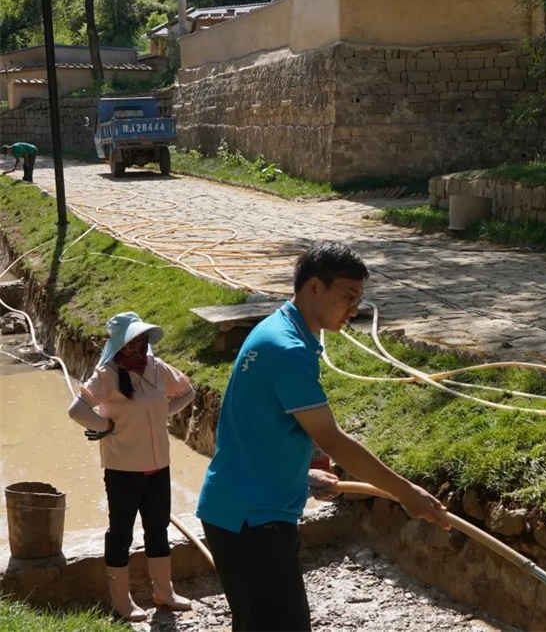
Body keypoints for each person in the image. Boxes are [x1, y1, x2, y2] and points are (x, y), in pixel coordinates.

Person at [196, 240, 451, 632]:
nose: (354, 309)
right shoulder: (288, 349)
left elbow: (256, 428)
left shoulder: (276, 328)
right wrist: (406, 493)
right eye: (347, 296)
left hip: (240, 508)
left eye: (358, 299)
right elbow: (332, 440)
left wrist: (302, 477)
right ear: (314, 287)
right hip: (253, 520)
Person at [68, 311, 196, 621]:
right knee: (121, 533)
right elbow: (77, 409)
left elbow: (187, 392)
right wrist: (107, 425)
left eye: (141, 339)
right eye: (132, 340)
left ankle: (163, 592)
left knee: (158, 529)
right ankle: (121, 601)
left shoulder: (155, 368)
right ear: (120, 344)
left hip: (158, 465)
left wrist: (161, 413)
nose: (138, 346)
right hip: (123, 468)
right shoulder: (107, 373)